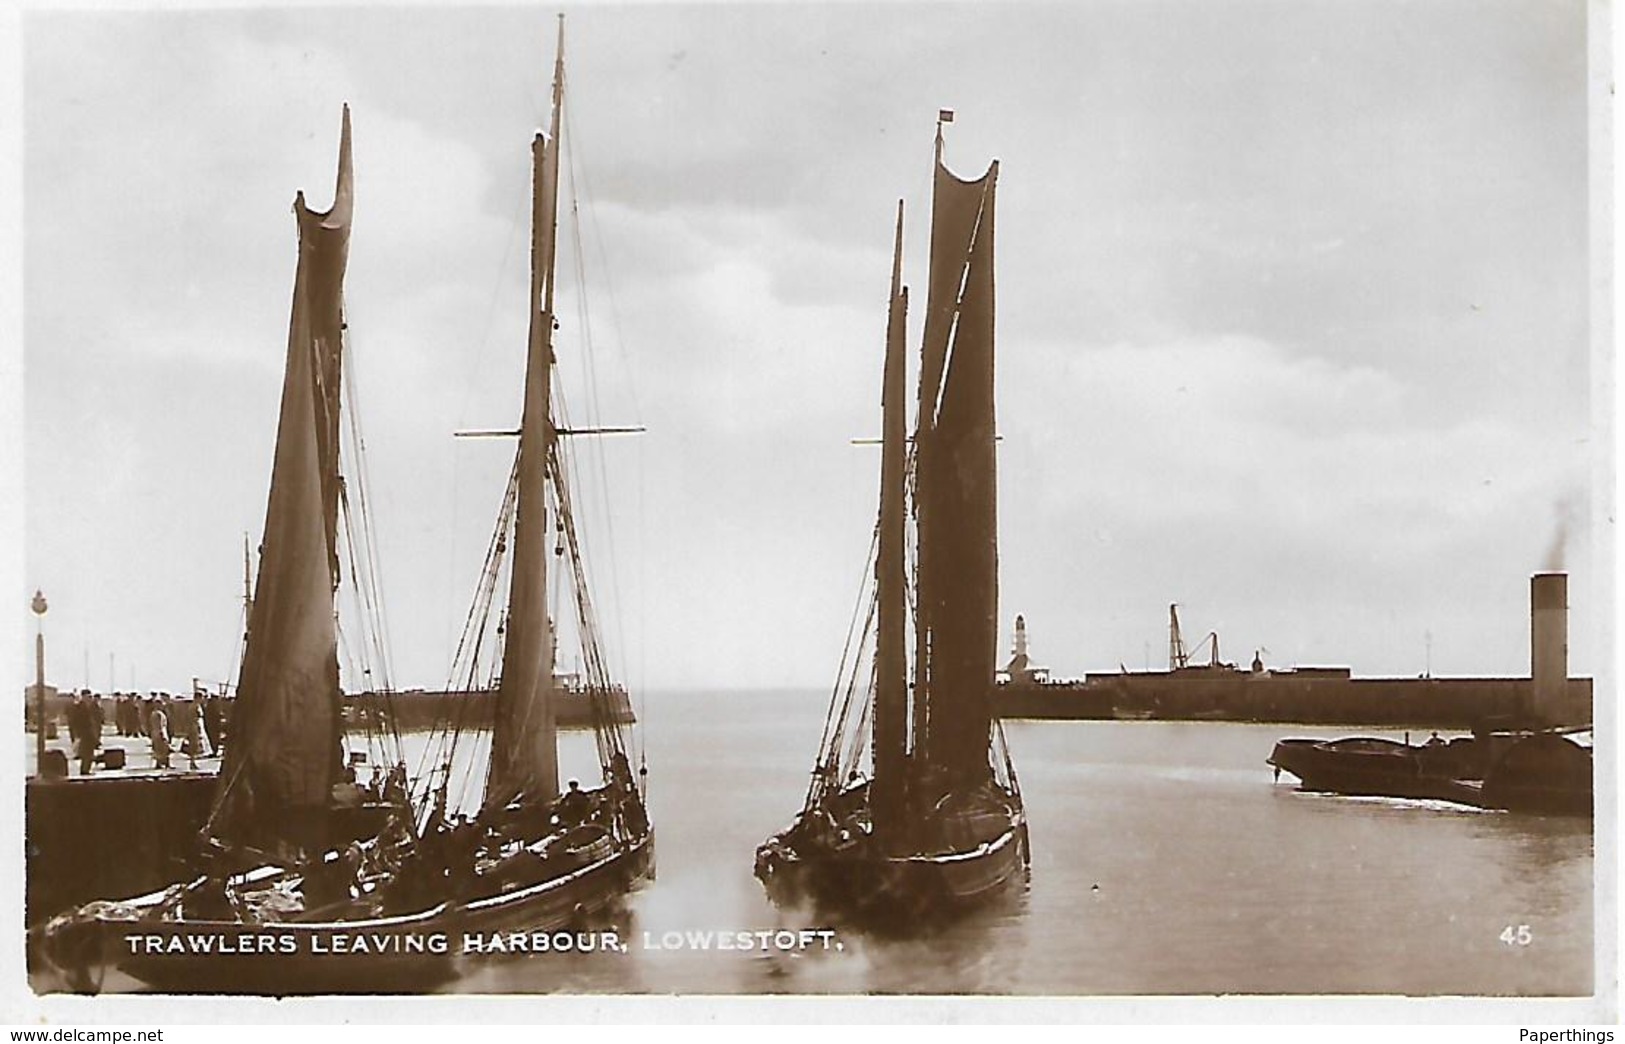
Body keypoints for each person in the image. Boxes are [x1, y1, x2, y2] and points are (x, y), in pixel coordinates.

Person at [149, 698, 171, 770]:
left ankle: (159, 763)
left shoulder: (153, 713)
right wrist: (163, 734)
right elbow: (160, 725)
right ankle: (165, 763)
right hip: (160, 732)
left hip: (155, 733)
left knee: (158, 749)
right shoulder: (159, 714)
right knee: (164, 749)